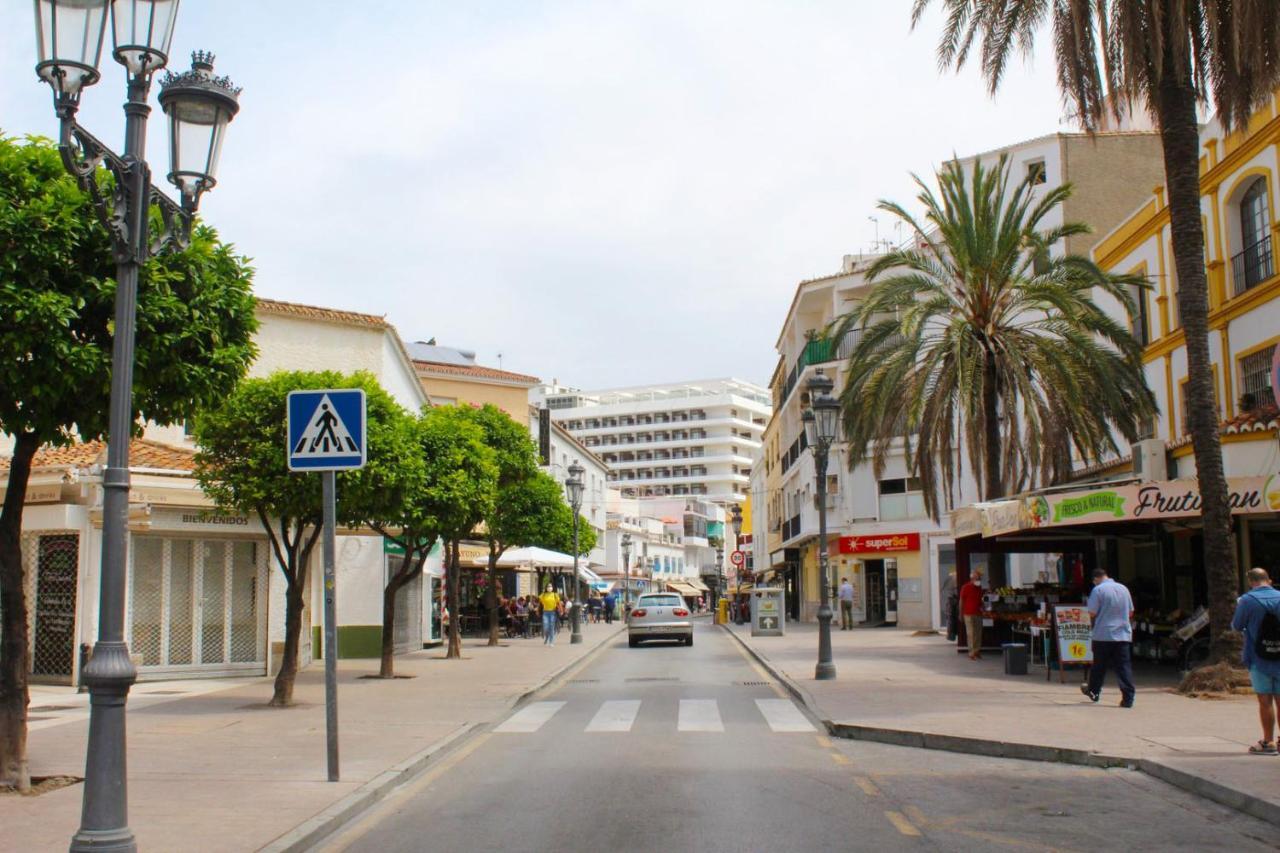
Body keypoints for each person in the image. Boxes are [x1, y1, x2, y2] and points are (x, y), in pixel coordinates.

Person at [1232, 568, 1280, 754]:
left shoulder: (1247, 600)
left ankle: (1268, 742)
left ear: (1251, 582)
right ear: (1269, 579)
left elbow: (1237, 625)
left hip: (1258, 658)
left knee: (1265, 700)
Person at [1082, 568, 1135, 707]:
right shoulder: (1124, 588)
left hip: (1103, 635)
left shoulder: (1098, 590)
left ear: (1096, 579)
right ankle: (1128, 698)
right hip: (1122, 634)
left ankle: (1094, 692)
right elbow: (1130, 612)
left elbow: (1092, 613)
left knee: (1099, 666)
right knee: (1123, 667)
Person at [959, 569, 985, 660]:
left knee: (978, 633)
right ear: (972, 578)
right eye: (977, 577)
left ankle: (977, 650)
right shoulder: (965, 587)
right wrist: (960, 613)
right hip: (968, 613)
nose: (979, 579)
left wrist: (983, 607)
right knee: (971, 633)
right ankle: (971, 652)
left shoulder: (979, 588)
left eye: (979, 578)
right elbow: (961, 601)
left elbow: (980, 600)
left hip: (978, 613)